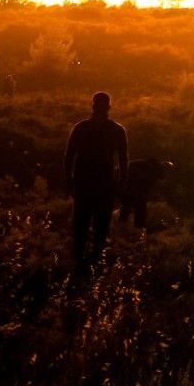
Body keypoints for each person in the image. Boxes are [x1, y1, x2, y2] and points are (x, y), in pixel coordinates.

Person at [64, 91, 128, 266]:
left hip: (91, 186)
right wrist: (122, 185)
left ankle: (82, 264)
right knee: (95, 228)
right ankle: (90, 263)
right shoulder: (116, 130)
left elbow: (69, 158)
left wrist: (70, 183)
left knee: (83, 227)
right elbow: (123, 161)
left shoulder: (82, 128)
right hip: (98, 187)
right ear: (109, 107)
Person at [117, 157, 174, 230]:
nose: (166, 175)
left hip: (124, 182)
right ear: (163, 169)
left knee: (130, 205)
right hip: (122, 181)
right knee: (138, 206)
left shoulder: (151, 168)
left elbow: (145, 188)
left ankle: (123, 226)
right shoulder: (150, 169)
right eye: (166, 172)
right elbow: (142, 186)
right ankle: (137, 228)